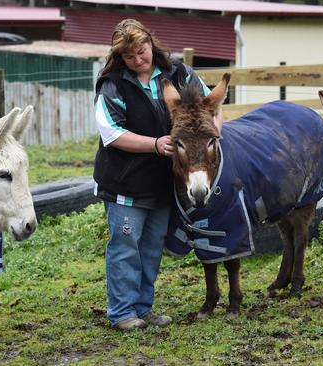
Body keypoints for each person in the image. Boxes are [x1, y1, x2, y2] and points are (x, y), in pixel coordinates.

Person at [93, 19, 218, 331]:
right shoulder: (113, 83)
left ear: (151, 42)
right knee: (125, 247)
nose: (138, 59)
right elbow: (111, 133)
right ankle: (122, 313)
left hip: (164, 181)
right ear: (119, 58)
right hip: (125, 181)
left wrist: (214, 136)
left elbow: (210, 106)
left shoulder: (178, 72)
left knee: (150, 248)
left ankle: (143, 308)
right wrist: (154, 144)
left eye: (142, 50)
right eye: (130, 56)